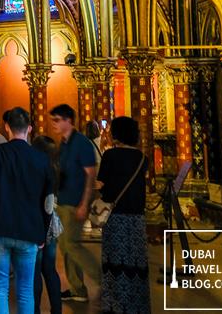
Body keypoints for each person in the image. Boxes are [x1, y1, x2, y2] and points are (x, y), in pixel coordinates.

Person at [0, 108, 55, 314]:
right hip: (30, 230)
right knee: (25, 290)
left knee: (0, 287)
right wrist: (43, 233)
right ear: (29, 128)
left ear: (7, 127)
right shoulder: (41, 159)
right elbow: (48, 203)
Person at [96, 117, 150, 314]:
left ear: (116, 133)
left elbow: (101, 184)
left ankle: (115, 304)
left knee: (114, 260)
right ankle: (138, 305)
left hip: (115, 216)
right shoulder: (143, 158)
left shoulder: (110, 155)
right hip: (136, 217)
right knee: (135, 259)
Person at [49, 103, 101, 303]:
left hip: (75, 202)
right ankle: (77, 289)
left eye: (57, 120)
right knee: (65, 246)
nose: (53, 124)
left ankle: (101, 278)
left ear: (68, 121)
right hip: (63, 200)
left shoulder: (81, 143)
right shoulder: (63, 143)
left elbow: (90, 174)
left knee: (72, 244)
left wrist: (84, 203)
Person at [31, 136, 62, 314]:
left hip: (38, 221)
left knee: (35, 271)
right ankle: (56, 309)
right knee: (50, 270)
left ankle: (35, 310)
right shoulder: (56, 168)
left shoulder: (37, 169)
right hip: (53, 221)